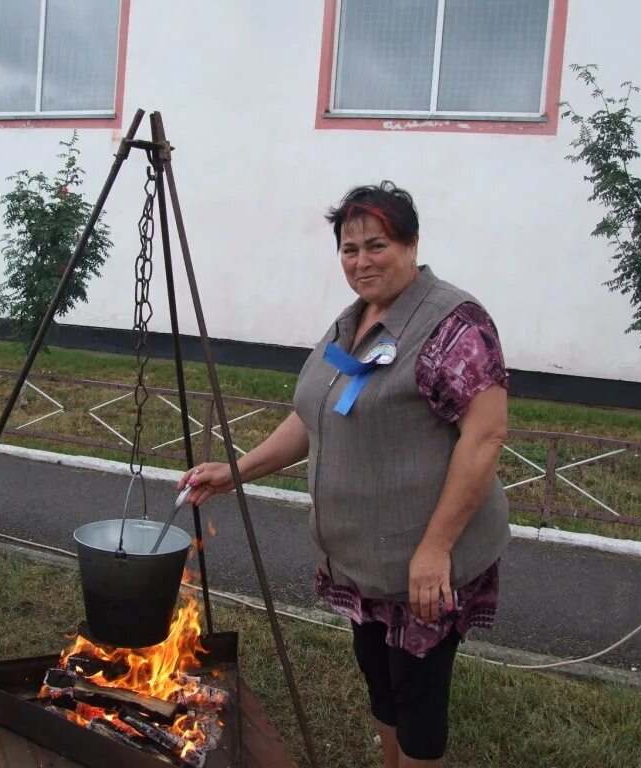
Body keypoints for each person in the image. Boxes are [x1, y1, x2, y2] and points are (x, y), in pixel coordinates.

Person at [179, 182, 510, 767]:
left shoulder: (454, 326)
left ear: (411, 244)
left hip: (424, 564)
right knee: (382, 685)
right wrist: (237, 471)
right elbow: (315, 416)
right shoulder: (356, 320)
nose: (361, 261)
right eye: (349, 249)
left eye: (376, 245)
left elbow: (484, 439)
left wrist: (436, 549)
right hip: (365, 562)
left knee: (418, 700)